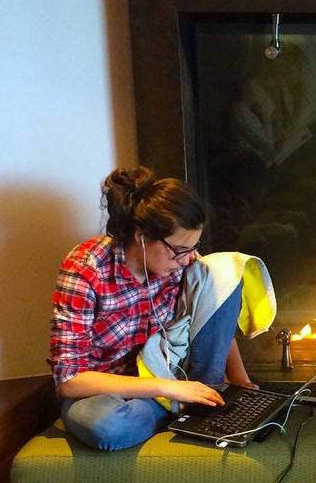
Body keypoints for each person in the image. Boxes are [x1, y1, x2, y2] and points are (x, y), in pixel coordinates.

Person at [49, 167, 255, 450]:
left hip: (173, 371)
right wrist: (166, 388)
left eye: (193, 247)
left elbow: (214, 313)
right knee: (105, 426)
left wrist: (242, 383)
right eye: (180, 250)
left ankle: (203, 399)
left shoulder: (181, 261)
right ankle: (189, 410)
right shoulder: (85, 269)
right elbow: (70, 381)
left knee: (222, 270)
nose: (187, 259)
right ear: (142, 237)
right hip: (109, 391)